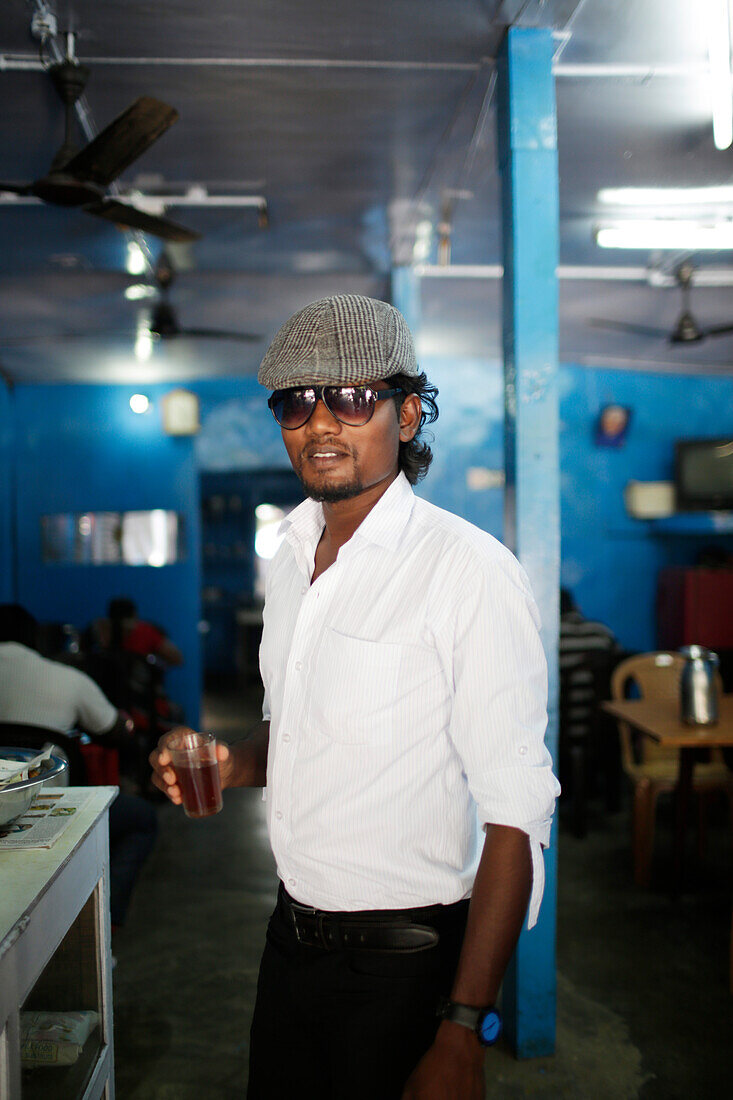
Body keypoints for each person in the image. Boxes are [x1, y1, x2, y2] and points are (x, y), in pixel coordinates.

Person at [151, 294, 560, 1100]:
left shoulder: (466, 572)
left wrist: (463, 1028)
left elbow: (516, 815)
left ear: (406, 417)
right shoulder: (291, 554)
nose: (321, 424)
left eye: (351, 398)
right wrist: (228, 765)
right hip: (288, 939)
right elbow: (296, 731)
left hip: (405, 967)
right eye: (296, 402)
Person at [0, 603, 157, 928]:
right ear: (36, 639)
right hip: (44, 813)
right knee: (142, 819)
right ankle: (103, 920)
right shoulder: (68, 678)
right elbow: (116, 731)